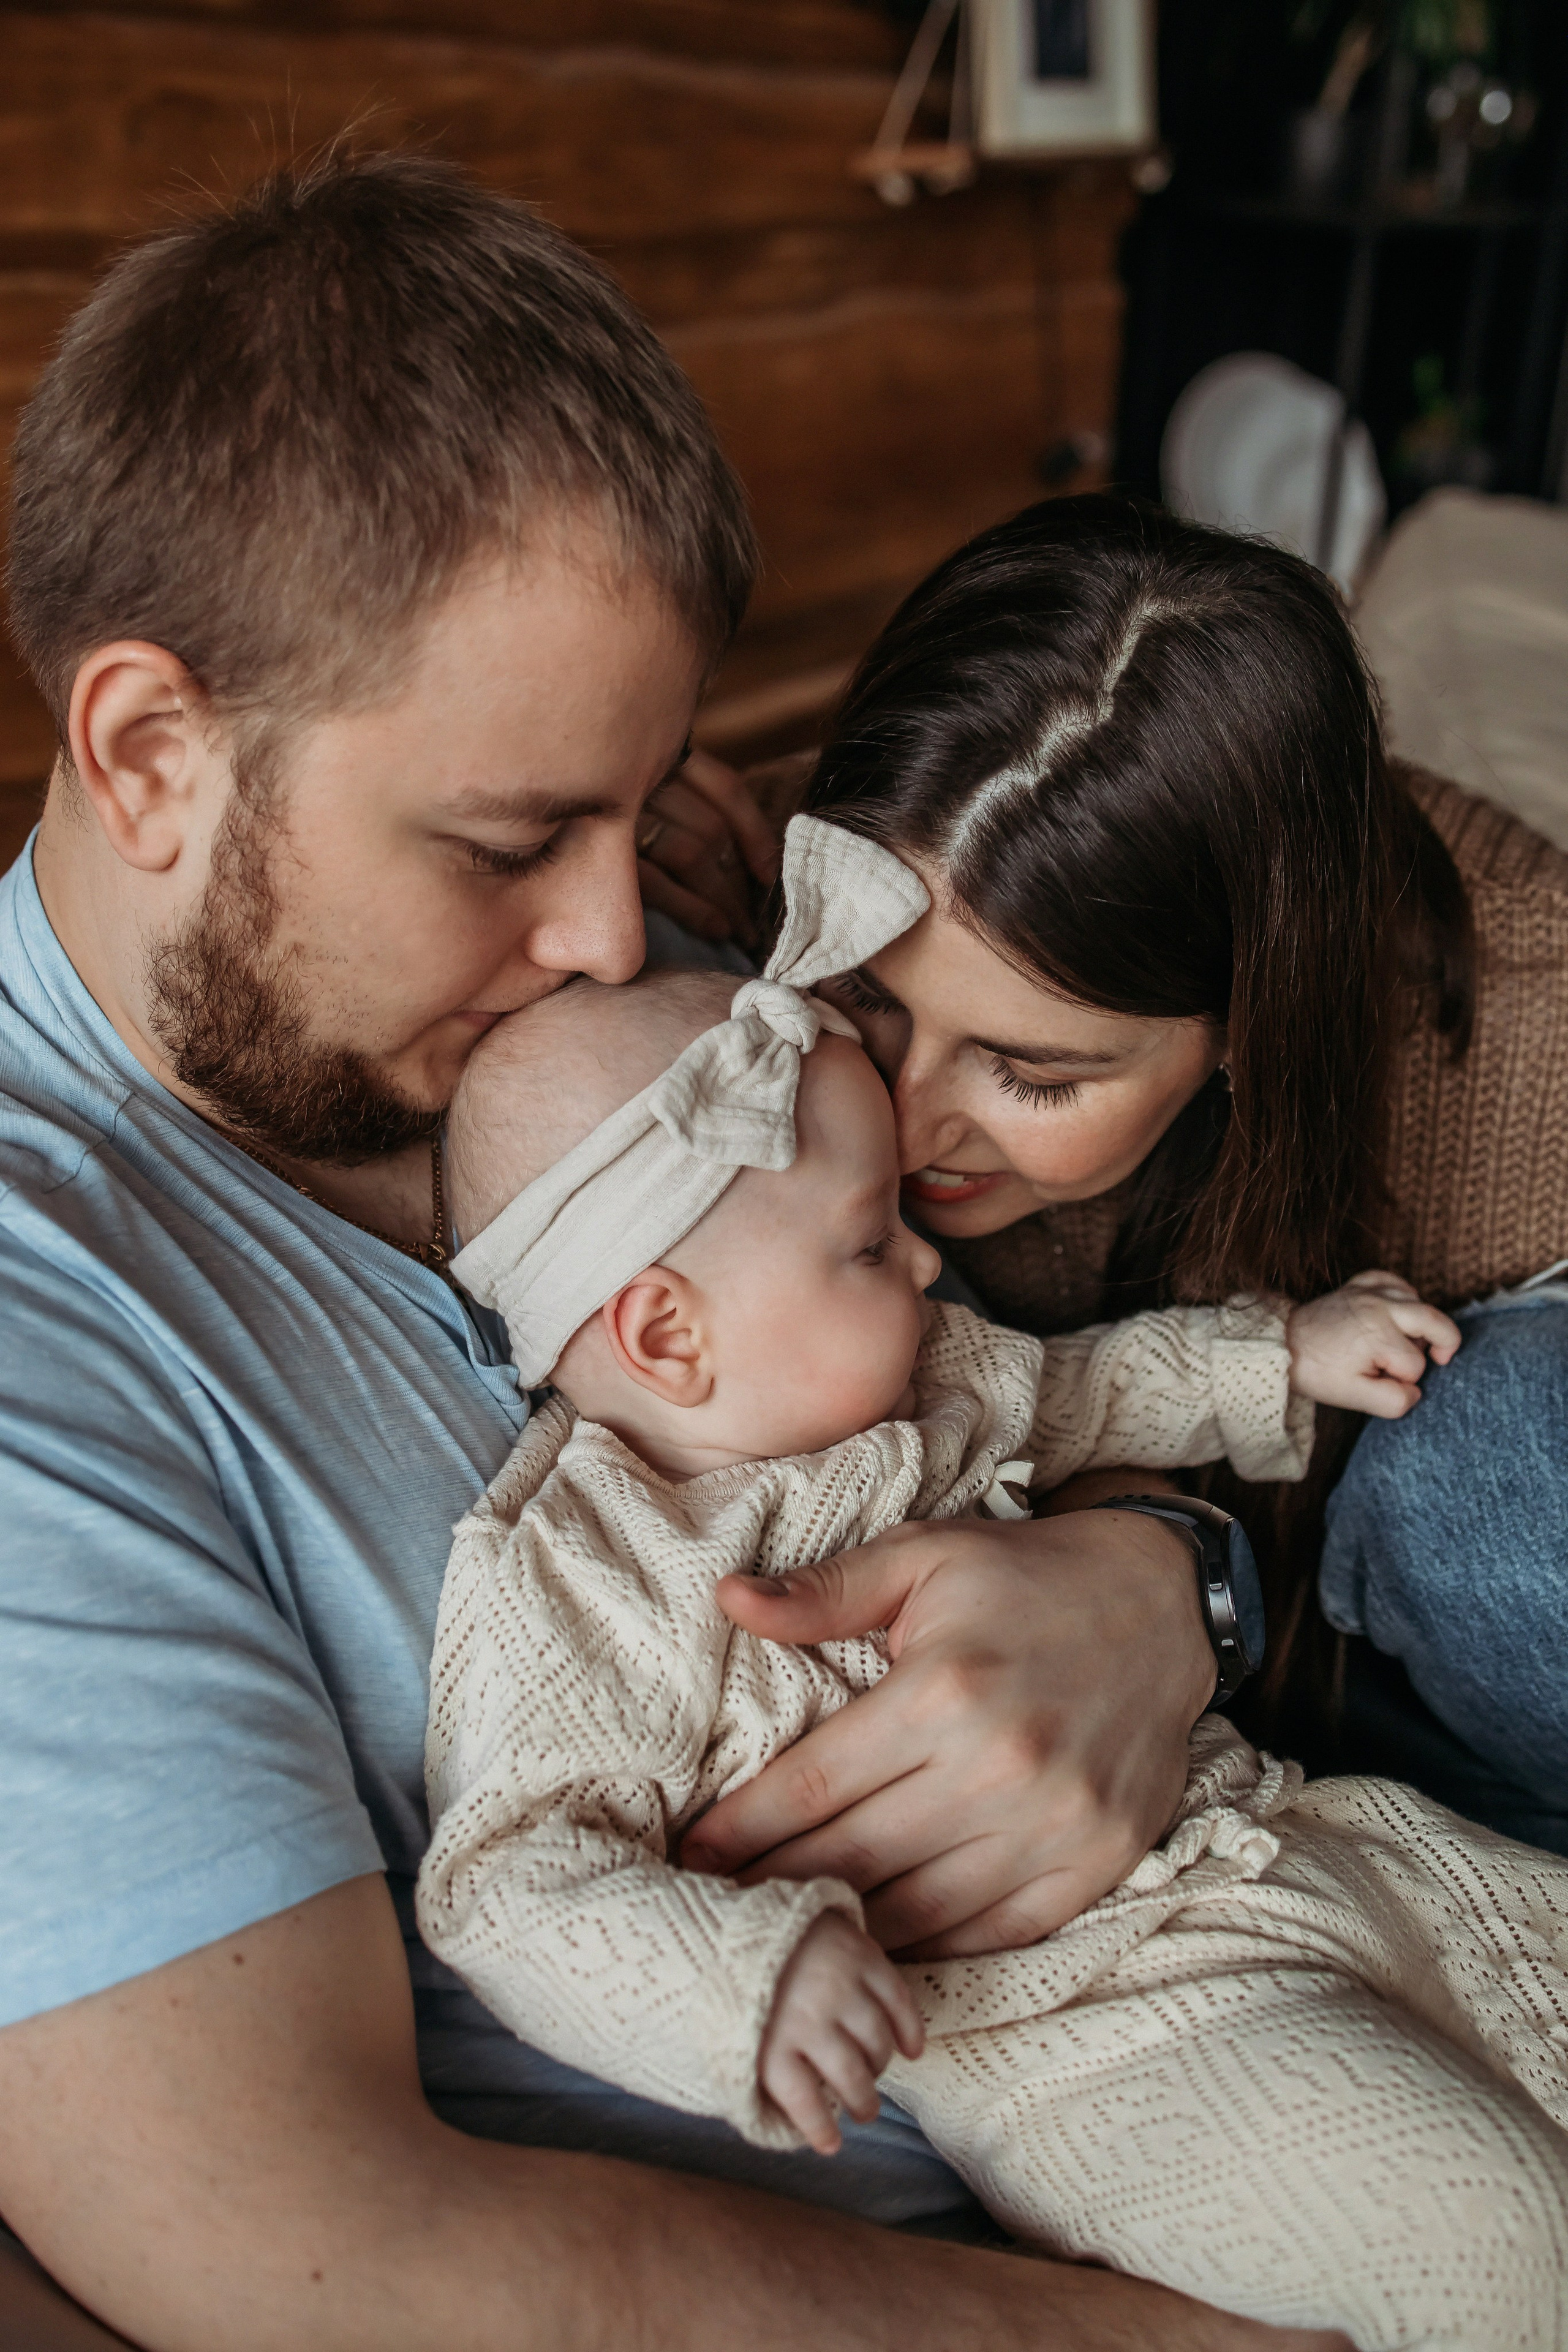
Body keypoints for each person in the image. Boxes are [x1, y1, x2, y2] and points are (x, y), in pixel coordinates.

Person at [0, 152, 1335, 2352]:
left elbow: (1020, 1381)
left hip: (1248, 1925)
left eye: (641, 809)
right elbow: (329, 2254)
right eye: (514, 840)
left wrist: (1168, 1589)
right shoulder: (49, 1341)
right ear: (152, 753)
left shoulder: (635, 1004)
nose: (625, 938)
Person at [412, 852, 1568, 2346]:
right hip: (1088, 2035)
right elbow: (508, 1880)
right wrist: (746, 1980)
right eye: (868, 1241)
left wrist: (1278, 1356)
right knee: (1500, 2244)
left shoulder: (932, 1379)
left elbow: (1094, 1388)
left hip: (1302, 1844)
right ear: (667, 1334)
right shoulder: (586, 1572)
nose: (927, 1254)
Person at [785, 492, 1568, 1850]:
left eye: (1031, 1073)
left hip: (1434, 1661)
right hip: (1164, 1646)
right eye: (864, 997)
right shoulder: (803, 870)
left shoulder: (1534, 1031)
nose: (900, 1133)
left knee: (1495, 1480)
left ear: (1250, 1025)